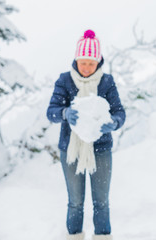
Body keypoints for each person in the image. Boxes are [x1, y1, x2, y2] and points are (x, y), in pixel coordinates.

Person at [47, 29, 125, 240]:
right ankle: (74, 236)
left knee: (101, 201)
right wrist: (64, 112)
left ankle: (102, 236)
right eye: (83, 63)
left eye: (91, 63)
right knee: (75, 202)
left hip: (100, 149)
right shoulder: (65, 80)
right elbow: (51, 112)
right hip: (71, 149)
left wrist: (114, 122)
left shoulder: (106, 82)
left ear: (98, 62)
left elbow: (119, 112)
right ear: (76, 59)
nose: (87, 68)